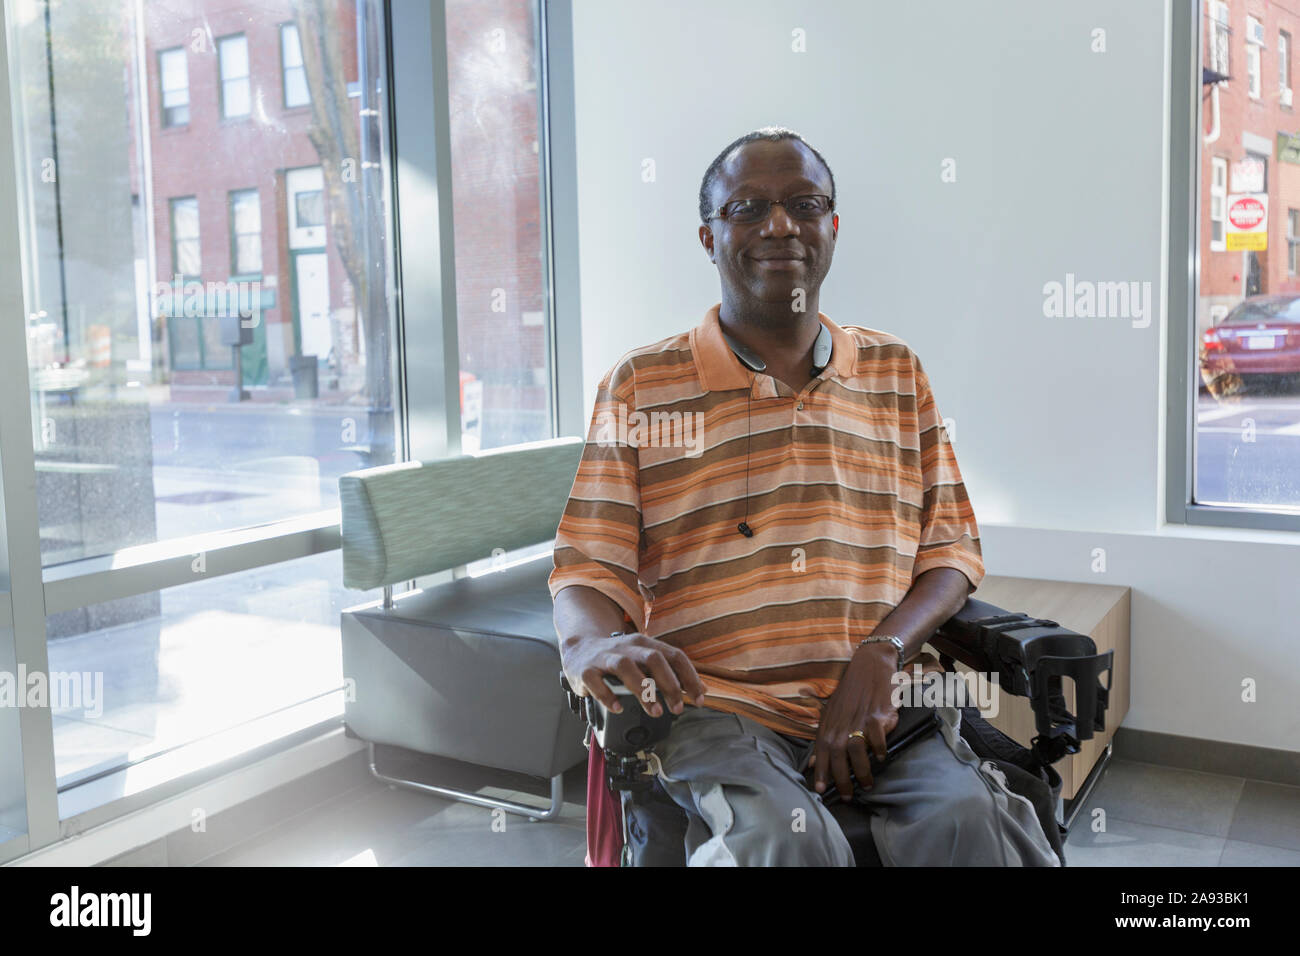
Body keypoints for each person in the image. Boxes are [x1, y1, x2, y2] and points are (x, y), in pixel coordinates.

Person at [550, 126, 1057, 866]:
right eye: (747, 207)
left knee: (974, 828)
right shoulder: (643, 386)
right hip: (720, 710)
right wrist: (589, 640)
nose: (779, 224)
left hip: (891, 706)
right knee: (786, 845)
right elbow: (588, 567)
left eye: (803, 203)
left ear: (832, 226)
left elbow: (950, 552)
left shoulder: (894, 372)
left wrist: (882, 654)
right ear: (708, 235)